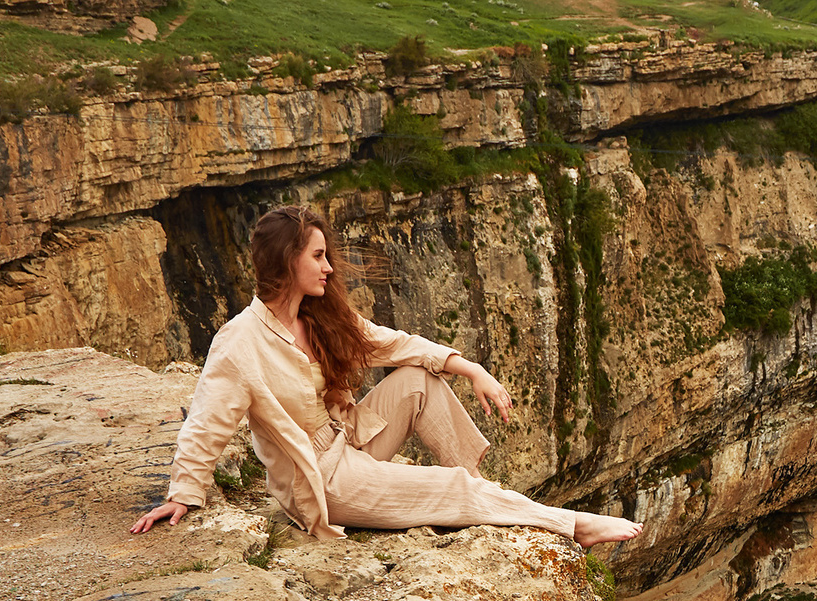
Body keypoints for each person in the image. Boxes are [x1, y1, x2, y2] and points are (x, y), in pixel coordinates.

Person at [131, 204, 641, 549]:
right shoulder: (241, 342)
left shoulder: (318, 316)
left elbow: (395, 345)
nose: (329, 267)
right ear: (287, 260)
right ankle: (573, 525)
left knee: (421, 380)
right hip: (322, 482)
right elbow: (206, 423)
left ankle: (484, 496)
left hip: (350, 440)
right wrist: (183, 493)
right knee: (449, 489)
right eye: (318, 256)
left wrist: (472, 368)